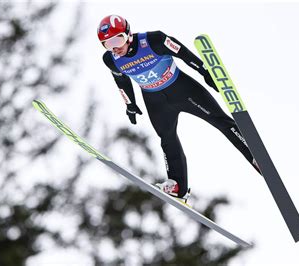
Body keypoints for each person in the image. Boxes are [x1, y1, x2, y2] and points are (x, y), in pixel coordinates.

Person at [98, 15, 260, 202]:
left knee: (219, 120)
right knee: (167, 139)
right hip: (155, 102)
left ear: (128, 34)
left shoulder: (153, 40)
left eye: (117, 39)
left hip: (183, 90)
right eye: (107, 44)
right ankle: (177, 186)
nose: (115, 47)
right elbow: (121, 80)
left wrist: (204, 70)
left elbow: (182, 52)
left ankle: (254, 155)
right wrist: (129, 104)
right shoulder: (111, 59)